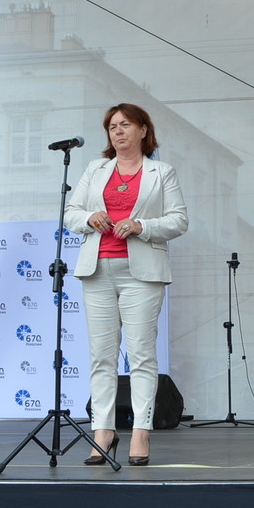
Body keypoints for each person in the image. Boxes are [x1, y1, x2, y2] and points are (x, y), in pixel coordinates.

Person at [64, 103, 189, 466]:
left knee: (141, 355)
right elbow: (71, 213)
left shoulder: (161, 172)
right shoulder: (95, 168)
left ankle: (140, 431)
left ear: (143, 130)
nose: (118, 131)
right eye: (112, 126)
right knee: (101, 356)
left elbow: (179, 220)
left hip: (141, 274)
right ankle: (103, 430)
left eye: (125, 125)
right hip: (97, 269)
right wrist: (90, 217)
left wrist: (141, 226)